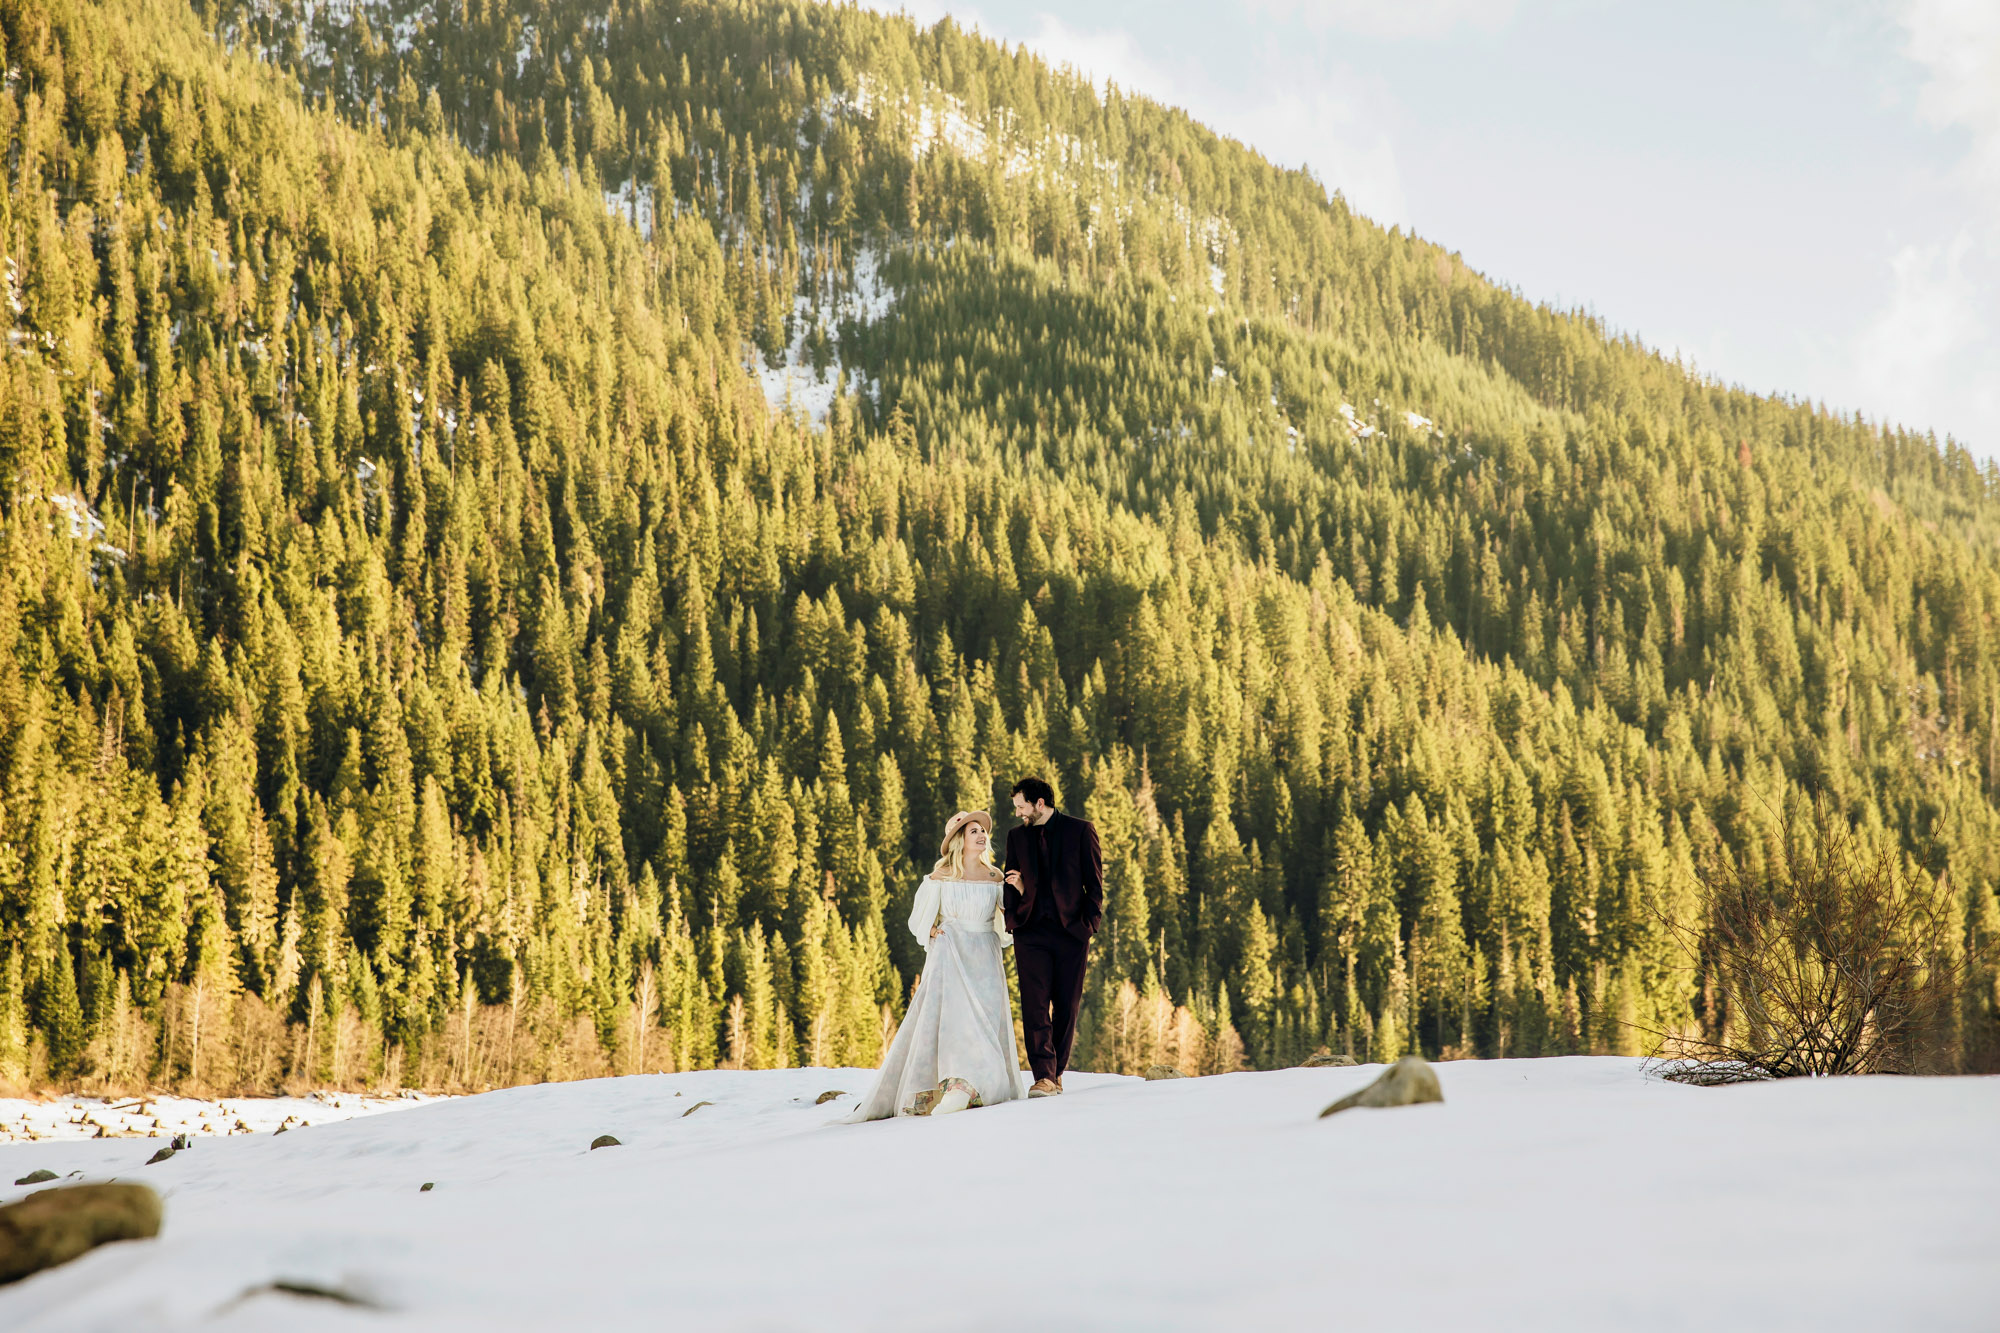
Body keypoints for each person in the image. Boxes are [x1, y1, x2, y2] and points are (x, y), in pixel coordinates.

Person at [843, 810, 1024, 1120]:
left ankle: (977, 1085)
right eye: (973, 832)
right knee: (955, 1022)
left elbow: (1009, 923)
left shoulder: (995, 876)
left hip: (985, 955)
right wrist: (932, 932)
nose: (982, 835)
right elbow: (918, 919)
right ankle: (955, 1087)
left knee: (986, 1023)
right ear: (958, 840)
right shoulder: (940, 877)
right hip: (950, 953)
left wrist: (1018, 892)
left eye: (983, 831)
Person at [1002, 777, 1103, 1097]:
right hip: (1030, 931)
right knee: (1033, 1006)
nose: (1018, 813)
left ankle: (1056, 1073)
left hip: (1072, 932)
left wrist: (1088, 925)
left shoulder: (1080, 830)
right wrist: (1014, 908)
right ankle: (1043, 1075)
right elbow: (1010, 880)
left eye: (1021, 807)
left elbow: (1095, 885)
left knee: (1066, 1006)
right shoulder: (1016, 837)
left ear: (1039, 804)